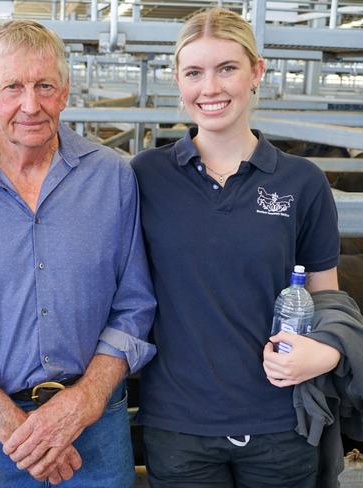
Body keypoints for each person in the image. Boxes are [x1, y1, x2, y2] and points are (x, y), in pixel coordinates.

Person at [0, 19, 157, 487]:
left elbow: (135, 304)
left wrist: (85, 400)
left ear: (64, 91)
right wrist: (13, 426)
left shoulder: (113, 177)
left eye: (44, 85)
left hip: (94, 422)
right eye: (12, 87)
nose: (31, 105)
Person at [131, 7, 342, 488]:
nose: (210, 88)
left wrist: (324, 351)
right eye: (194, 73)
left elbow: (327, 299)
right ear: (178, 81)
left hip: (281, 420)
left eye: (227, 68)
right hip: (179, 423)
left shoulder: (302, 182)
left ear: (256, 72)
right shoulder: (145, 176)